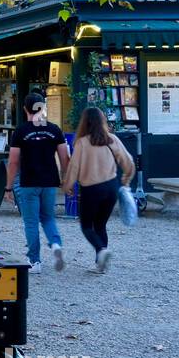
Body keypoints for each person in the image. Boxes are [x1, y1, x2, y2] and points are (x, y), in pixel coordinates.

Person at [60, 106, 134, 274]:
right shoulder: (112, 139)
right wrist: (126, 179)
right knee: (100, 225)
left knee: (86, 226)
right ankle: (101, 264)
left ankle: (101, 251)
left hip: (91, 189)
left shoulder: (82, 143)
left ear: (84, 123)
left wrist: (68, 186)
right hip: (111, 187)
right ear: (102, 121)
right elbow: (128, 161)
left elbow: (74, 167)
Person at [4, 91, 70, 274]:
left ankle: (35, 261)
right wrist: (67, 181)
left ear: (25, 109)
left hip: (28, 182)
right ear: (43, 107)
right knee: (48, 218)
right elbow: (65, 159)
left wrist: (8, 186)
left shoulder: (21, 131)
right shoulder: (54, 129)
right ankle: (56, 244)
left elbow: (13, 162)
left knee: (31, 222)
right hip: (50, 181)